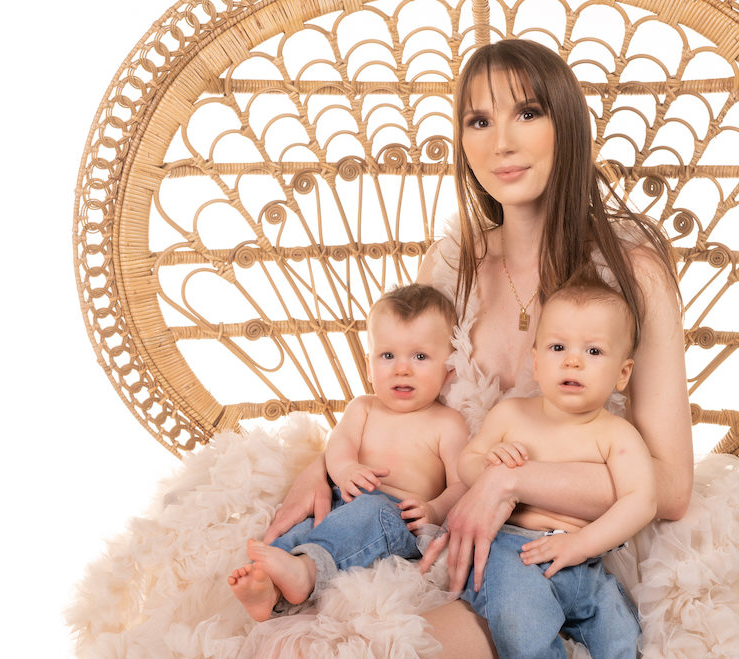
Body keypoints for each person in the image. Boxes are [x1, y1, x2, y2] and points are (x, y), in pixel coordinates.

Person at [264, 37, 695, 657]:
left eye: (527, 113)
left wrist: (508, 482)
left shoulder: (632, 274)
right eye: (479, 120)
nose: (502, 143)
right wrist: (330, 468)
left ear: (566, 124)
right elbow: (406, 403)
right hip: (440, 528)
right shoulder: (449, 266)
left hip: (569, 547)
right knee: (287, 631)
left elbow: (671, 487)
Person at [227, 284, 470, 622]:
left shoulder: (448, 423)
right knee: (305, 527)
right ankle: (268, 585)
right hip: (343, 503)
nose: (402, 369)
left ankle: (307, 571)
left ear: (449, 369)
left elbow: (463, 484)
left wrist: (433, 508)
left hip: (396, 521)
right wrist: (345, 470)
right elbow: (338, 446)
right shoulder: (364, 407)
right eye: (388, 356)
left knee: (368, 512)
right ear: (369, 365)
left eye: (420, 356)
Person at [457, 279, 655, 658]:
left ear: (622, 373)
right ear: (535, 360)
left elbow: (641, 501)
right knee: (519, 627)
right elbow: (467, 461)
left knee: (621, 635)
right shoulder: (511, 414)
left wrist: (582, 544)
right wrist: (490, 462)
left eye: (594, 350)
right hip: (516, 553)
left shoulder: (617, 435)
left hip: (587, 559)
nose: (572, 360)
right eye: (557, 347)